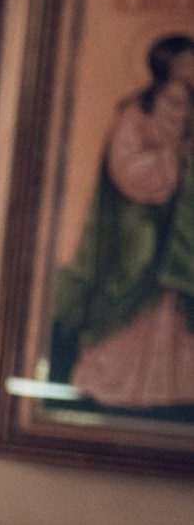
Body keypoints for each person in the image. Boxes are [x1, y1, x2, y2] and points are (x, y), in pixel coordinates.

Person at [53, 32, 194, 408]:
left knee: (173, 306)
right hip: (140, 221)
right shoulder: (136, 111)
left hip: (181, 229)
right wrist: (171, 160)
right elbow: (124, 166)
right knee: (134, 280)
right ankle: (113, 380)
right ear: (167, 64)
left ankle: (172, 388)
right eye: (186, 61)